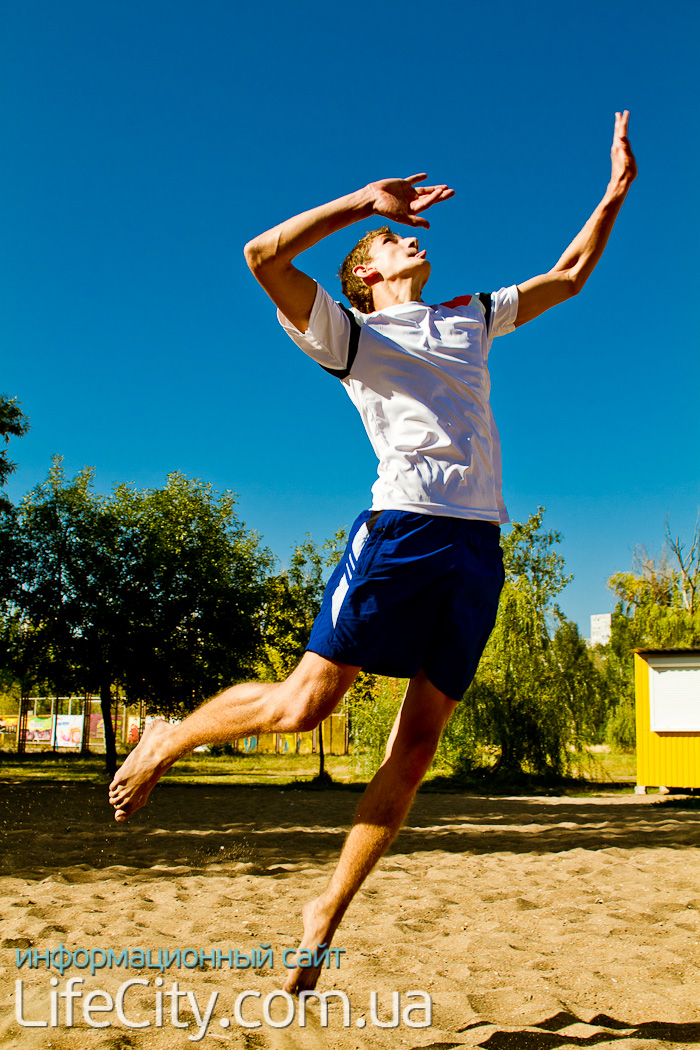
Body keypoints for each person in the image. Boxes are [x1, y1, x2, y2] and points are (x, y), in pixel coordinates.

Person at [109, 112, 637, 993]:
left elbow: (571, 276)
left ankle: (325, 913)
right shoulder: (349, 335)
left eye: (397, 232)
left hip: (477, 548)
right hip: (402, 531)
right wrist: (362, 203)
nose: (407, 239)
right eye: (390, 241)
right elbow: (261, 257)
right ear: (368, 273)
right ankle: (173, 736)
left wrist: (614, 191)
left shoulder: (470, 316)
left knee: (419, 743)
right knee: (306, 705)